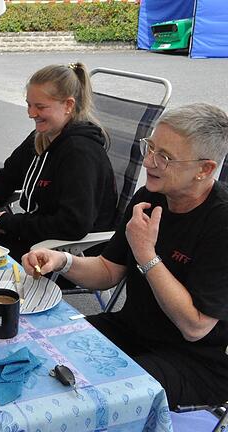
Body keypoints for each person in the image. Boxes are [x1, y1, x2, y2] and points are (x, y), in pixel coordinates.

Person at [22, 103, 228, 409]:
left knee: (94, 396)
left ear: (205, 169)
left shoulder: (220, 222)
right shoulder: (150, 196)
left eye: (165, 157)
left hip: (192, 361)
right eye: (150, 147)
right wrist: (62, 260)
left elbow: (195, 326)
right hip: (131, 330)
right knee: (43, 348)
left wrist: (146, 254)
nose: (148, 161)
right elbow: (108, 270)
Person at [0, 62, 117, 260]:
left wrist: (10, 223)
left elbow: (72, 224)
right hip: (37, 237)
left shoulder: (80, 153)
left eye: (40, 107)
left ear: (68, 105)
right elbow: (5, 177)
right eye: (29, 104)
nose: (31, 114)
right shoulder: (41, 137)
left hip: (70, 252)